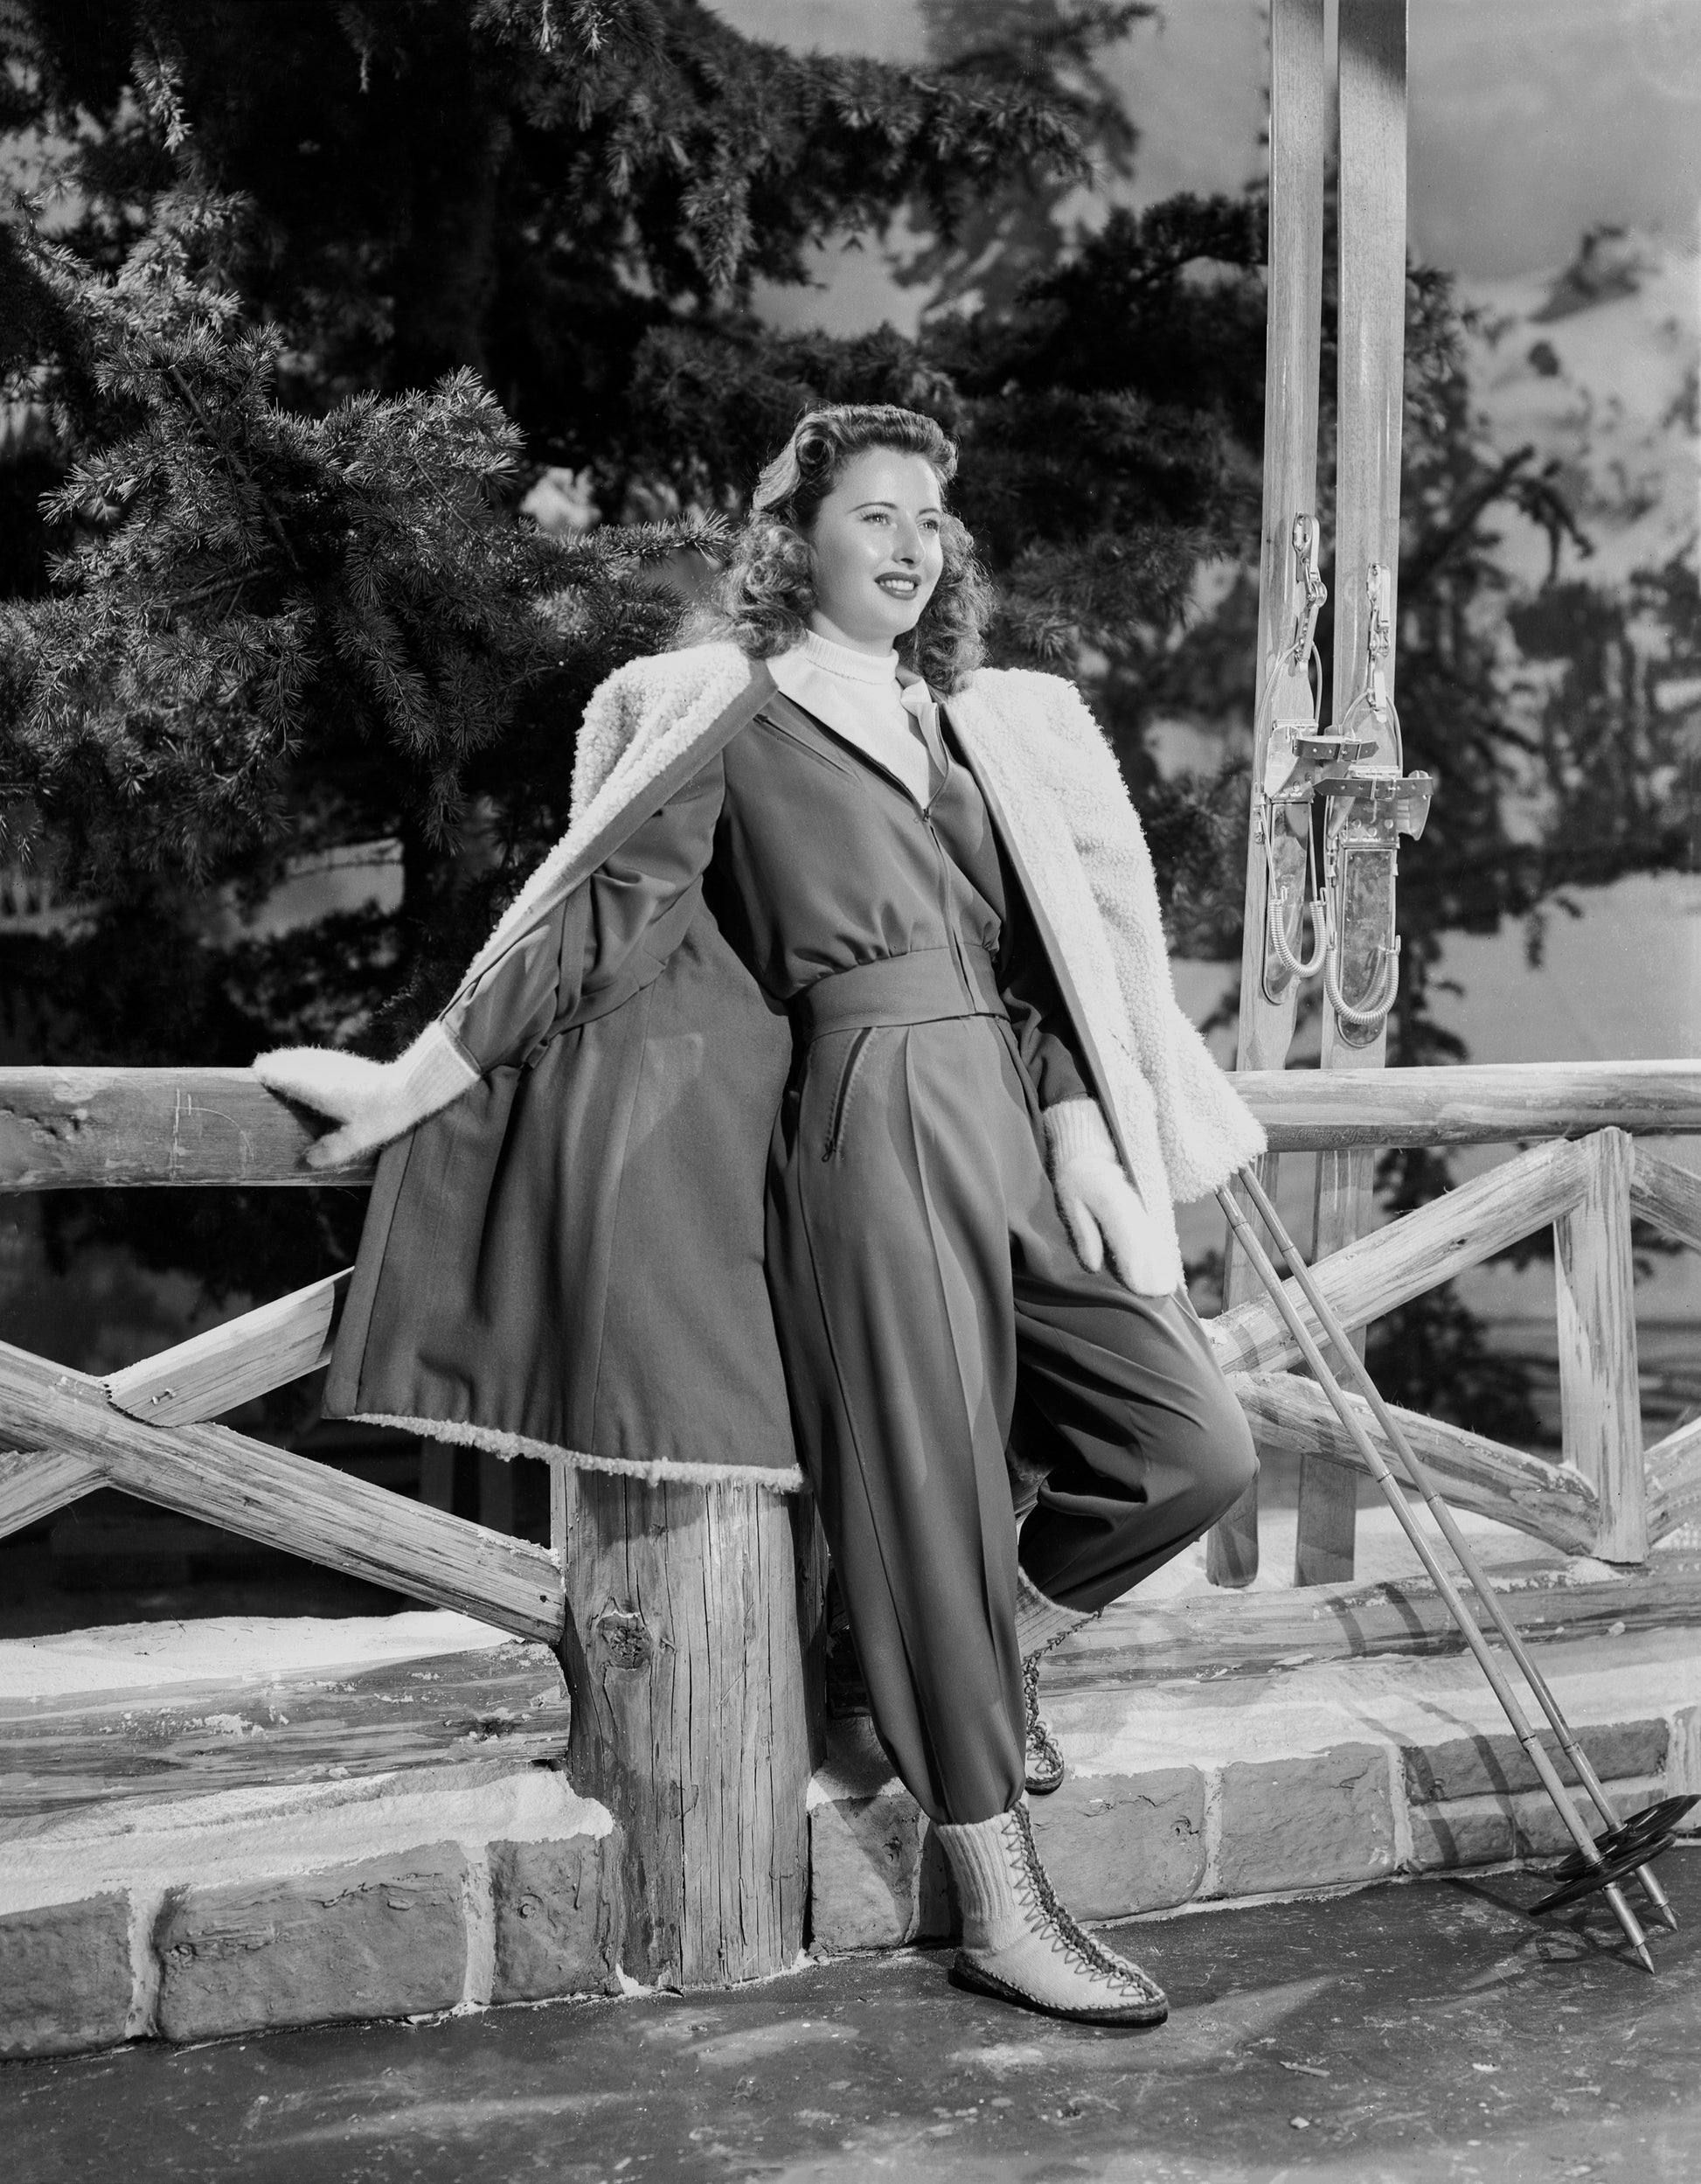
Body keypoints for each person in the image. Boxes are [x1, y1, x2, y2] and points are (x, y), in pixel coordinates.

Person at [257, 404, 1263, 2029]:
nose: (911, 545)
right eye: (874, 514)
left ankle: (967, 1653)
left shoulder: (965, 728)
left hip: (1012, 1119)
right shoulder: (744, 709)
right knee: (928, 1492)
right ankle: (1004, 1905)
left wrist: (1082, 1128)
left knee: (1190, 1446)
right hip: (870, 1123)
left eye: (930, 520)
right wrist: (404, 1085)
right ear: (796, 537)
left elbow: (1037, 964)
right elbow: (588, 919)